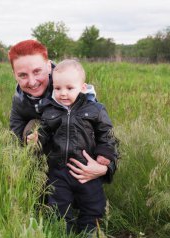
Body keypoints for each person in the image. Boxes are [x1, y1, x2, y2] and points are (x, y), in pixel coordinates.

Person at [26, 59, 118, 233]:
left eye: (69, 88)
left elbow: (106, 134)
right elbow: (45, 131)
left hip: (86, 169)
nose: (63, 93)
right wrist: (38, 138)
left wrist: (104, 153)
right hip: (59, 170)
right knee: (58, 205)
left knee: (93, 205)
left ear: (83, 88)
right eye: (58, 88)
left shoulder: (95, 110)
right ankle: (63, 235)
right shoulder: (50, 110)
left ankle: (88, 235)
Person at [8, 39, 116, 184]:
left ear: (48, 66)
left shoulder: (71, 87)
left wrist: (105, 168)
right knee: (33, 126)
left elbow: (105, 133)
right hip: (54, 161)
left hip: (79, 158)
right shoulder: (20, 100)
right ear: (14, 74)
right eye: (23, 75)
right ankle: (42, 186)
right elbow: (15, 139)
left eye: (37, 71)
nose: (32, 82)